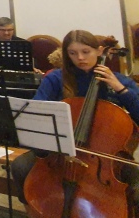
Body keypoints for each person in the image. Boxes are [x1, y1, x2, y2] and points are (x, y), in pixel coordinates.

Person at [10, 30, 139, 207]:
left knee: (135, 185)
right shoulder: (56, 78)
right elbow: (36, 110)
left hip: (106, 156)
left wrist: (120, 89)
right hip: (61, 151)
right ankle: (35, 210)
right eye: (73, 53)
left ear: (99, 51)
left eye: (86, 52)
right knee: (20, 167)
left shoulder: (118, 81)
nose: (80, 58)